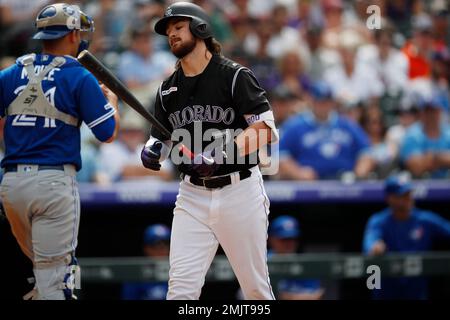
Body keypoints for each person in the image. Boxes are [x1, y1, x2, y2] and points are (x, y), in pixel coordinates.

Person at [140, 2, 278, 300]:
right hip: (192, 195)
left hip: (239, 190)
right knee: (180, 292)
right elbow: (161, 141)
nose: (171, 35)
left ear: (201, 28)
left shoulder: (234, 76)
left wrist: (221, 153)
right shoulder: (167, 89)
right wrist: (152, 151)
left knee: (255, 290)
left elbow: (264, 131)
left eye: (178, 27)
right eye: (168, 31)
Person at [0, 3, 120, 300]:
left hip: (11, 185)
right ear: (72, 35)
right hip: (53, 184)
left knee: (43, 273)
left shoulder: (11, 72)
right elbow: (107, 133)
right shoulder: (78, 75)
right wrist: (113, 103)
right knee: (59, 281)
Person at [362, 175, 450, 299]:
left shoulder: (425, 219)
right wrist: (375, 247)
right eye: (402, 195)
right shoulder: (379, 221)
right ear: (390, 198)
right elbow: (370, 242)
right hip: (387, 291)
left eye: (409, 194)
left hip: (416, 291)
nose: (408, 198)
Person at [278, 80, 371, 180]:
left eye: (326, 101)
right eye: (319, 102)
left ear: (332, 102)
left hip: (344, 183)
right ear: (311, 101)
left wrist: (359, 173)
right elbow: (280, 154)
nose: (323, 106)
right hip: (309, 185)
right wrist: (298, 172)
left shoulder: (346, 124)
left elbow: (366, 152)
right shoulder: (295, 125)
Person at [268, 215, 324, 300]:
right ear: (271, 239)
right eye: (284, 239)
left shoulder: (305, 264)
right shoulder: (261, 262)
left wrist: (284, 296)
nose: (289, 244)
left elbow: (317, 295)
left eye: (291, 239)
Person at [122, 224, 171, 300]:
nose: (162, 250)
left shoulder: (178, 271)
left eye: (165, 245)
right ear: (146, 248)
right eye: (156, 246)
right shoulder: (136, 273)